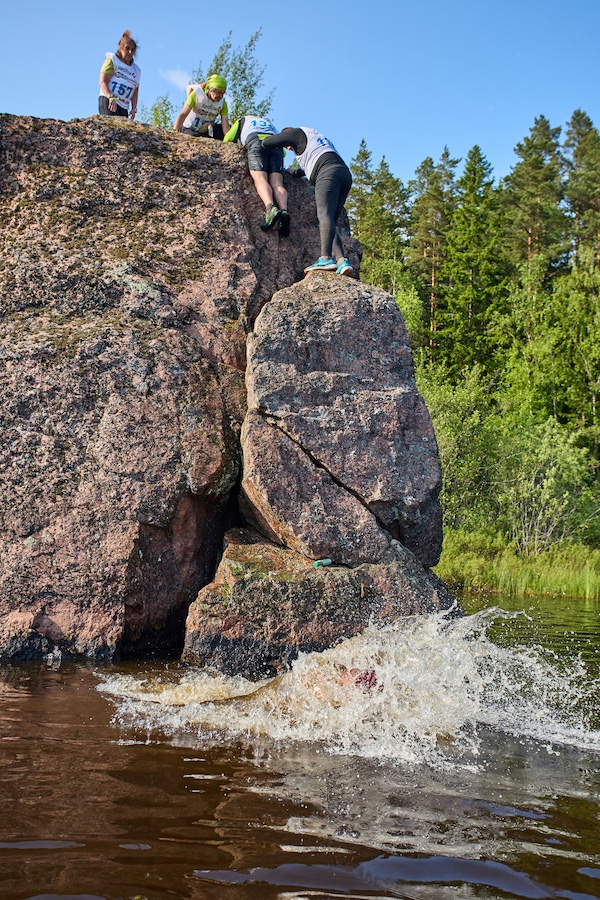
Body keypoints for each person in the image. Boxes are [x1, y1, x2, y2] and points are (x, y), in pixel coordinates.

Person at [262, 126, 353, 275]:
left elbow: (267, 142)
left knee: (323, 215)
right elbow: (317, 160)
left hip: (327, 173)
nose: (289, 148)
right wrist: (297, 172)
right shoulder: (313, 137)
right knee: (330, 222)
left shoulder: (294, 132)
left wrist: (279, 141)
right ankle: (342, 261)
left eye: (287, 145)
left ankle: (325, 259)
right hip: (343, 174)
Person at [224, 116, 290, 235]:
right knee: (277, 183)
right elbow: (284, 153)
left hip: (256, 142)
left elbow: (228, 138)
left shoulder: (243, 120)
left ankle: (270, 208)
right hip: (276, 148)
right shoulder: (270, 125)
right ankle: (284, 211)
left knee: (260, 180)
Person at [98, 30, 140, 120]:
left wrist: (134, 108)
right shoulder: (113, 60)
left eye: (132, 50)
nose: (130, 52)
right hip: (109, 100)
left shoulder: (136, 70)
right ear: (120, 48)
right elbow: (102, 81)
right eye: (127, 48)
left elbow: (135, 92)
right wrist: (110, 97)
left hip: (124, 106)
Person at [173, 75, 230, 140]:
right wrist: (175, 132)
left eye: (223, 93)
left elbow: (225, 125)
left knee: (228, 130)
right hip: (189, 128)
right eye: (219, 93)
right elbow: (183, 114)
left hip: (205, 131)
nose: (221, 96)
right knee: (194, 137)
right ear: (211, 89)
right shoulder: (196, 94)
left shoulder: (223, 103)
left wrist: (229, 140)